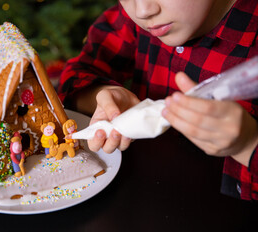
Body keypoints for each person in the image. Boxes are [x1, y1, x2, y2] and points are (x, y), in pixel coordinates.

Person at [58, 0, 258, 200]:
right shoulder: (133, 19)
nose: (143, 11)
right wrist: (103, 96)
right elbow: (75, 76)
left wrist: (248, 143)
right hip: (146, 202)